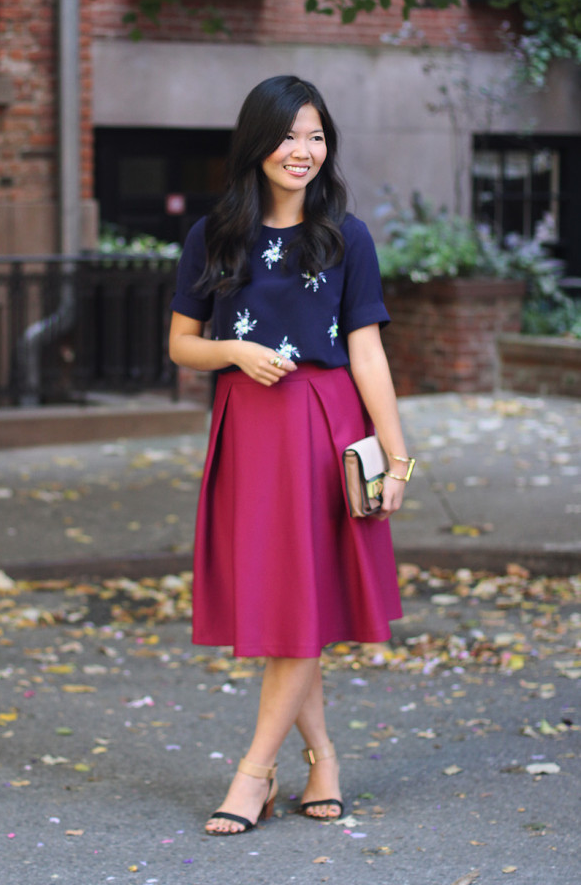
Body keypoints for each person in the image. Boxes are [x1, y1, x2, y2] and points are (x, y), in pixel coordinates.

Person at [168, 75, 413, 836]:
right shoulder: (213, 236)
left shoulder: (347, 237)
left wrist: (396, 458)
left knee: (300, 601)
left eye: (314, 137)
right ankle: (324, 761)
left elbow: (367, 354)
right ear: (257, 143)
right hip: (249, 430)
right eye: (288, 136)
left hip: (324, 427)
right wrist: (236, 349)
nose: (302, 151)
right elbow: (181, 346)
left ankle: (253, 773)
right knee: (284, 602)